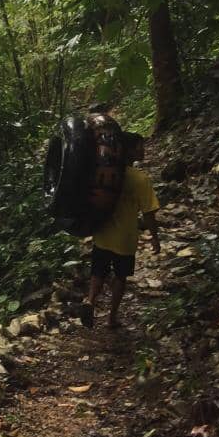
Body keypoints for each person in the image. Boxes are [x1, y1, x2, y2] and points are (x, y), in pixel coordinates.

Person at [80, 132, 160, 328]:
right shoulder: (140, 179)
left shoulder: (104, 174)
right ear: (129, 151)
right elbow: (148, 213)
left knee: (98, 272)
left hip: (102, 233)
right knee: (120, 277)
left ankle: (90, 300)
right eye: (140, 147)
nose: (143, 150)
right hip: (125, 238)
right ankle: (112, 318)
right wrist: (155, 237)